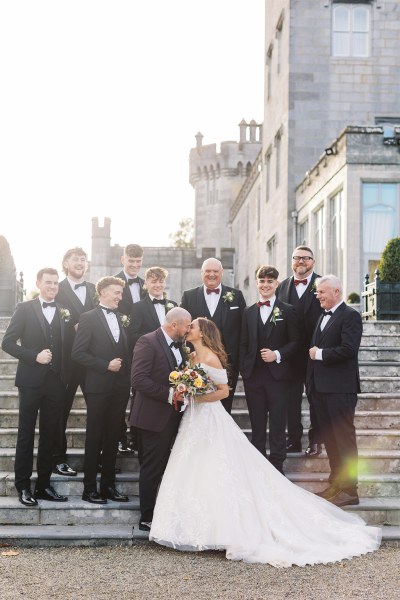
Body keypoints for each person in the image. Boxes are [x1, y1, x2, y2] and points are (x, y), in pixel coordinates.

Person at [149, 318, 381, 567]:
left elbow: (224, 391)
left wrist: (197, 395)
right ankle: (190, 527)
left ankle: (223, 530)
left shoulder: (211, 358)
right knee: (193, 467)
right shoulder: (192, 357)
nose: (188, 329)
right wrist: (186, 392)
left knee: (217, 466)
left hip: (210, 419)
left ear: (203, 333)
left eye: (192, 326)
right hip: (193, 420)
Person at [1, 268, 72, 506]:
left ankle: (43, 485)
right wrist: (34, 356)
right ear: (38, 283)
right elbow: (7, 343)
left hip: (56, 383)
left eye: (55, 283)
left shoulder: (64, 311)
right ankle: (23, 486)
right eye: (48, 282)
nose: (52, 286)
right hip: (30, 381)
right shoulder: (24, 309)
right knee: (26, 434)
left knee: (50, 436)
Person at [130, 307, 191, 531]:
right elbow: (138, 379)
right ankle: (146, 516)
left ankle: (162, 512)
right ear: (174, 325)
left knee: (167, 467)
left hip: (175, 416)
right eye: (187, 325)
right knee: (152, 468)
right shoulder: (147, 342)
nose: (189, 329)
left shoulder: (182, 347)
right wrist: (169, 395)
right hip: (152, 418)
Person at [71, 276, 131, 504]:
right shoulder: (88, 318)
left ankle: (108, 487)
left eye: (121, 293)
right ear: (103, 292)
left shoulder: (120, 317)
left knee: (112, 436)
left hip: (119, 388)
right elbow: (77, 353)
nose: (120, 297)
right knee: (94, 437)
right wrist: (105, 365)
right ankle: (89, 489)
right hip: (97, 387)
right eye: (116, 292)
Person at [307, 274, 362, 508]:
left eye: (321, 291)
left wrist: (320, 354)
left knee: (344, 439)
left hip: (341, 389)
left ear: (336, 292)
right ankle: (336, 484)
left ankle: (350, 490)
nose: (318, 295)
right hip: (320, 389)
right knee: (330, 438)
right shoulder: (322, 315)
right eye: (318, 291)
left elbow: (349, 349)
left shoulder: (351, 316)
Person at [239, 266, 299, 475]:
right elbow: (243, 344)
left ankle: (277, 466)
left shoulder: (288, 310)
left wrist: (277, 354)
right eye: (262, 281)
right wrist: (244, 370)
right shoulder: (249, 312)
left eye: (270, 281)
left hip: (279, 377)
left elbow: (295, 342)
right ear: (257, 283)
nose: (265, 285)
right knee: (257, 424)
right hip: (253, 377)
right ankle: (258, 466)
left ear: (276, 284)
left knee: (277, 423)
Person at [53, 247, 97, 477]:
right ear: (66, 263)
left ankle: (95, 459)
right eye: (75, 259)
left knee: (98, 411)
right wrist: (73, 330)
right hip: (66, 361)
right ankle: (58, 459)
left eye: (83, 259)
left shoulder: (93, 290)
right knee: (60, 411)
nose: (80, 262)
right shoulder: (56, 289)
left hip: (91, 362)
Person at [180, 257, 246, 413]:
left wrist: (240, 360)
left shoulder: (236, 296)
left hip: (228, 363)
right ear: (201, 272)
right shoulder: (189, 296)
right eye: (208, 271)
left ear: (222, 273)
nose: (211, 274)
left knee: (225, 407)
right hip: (197, 362)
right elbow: (183, 328)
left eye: (215, 271)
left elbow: (244, 330)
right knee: (196, 406)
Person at [276, 246, 323, 457]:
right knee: (290, 400)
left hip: (316, 354)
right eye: (296, 258)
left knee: (316, 398)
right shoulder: (282, 286)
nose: (301, 261)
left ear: (313, 261)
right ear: (291, 261)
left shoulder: (323, 284)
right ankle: (293, 439)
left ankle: (316, 441)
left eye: (306, 258)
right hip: (290, 355)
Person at [114, 243, 145, 454]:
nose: (134, 265)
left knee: (141, 394)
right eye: (130, 260)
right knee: (120, 395)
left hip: (144, 350)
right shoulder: (112, 283)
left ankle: (136, 435)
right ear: (122, 259)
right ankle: (118, 437)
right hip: (119, 348)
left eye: (138, 262)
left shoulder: (145, 284)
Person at [129, 266, 178, 349]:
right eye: (154, 282)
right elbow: (132, 336)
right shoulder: (138, 307)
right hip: (150, 354)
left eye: (161, 281)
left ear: (165, 283)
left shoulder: (174, 305)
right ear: (146, 284)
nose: (158, 285)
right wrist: (156, 338)